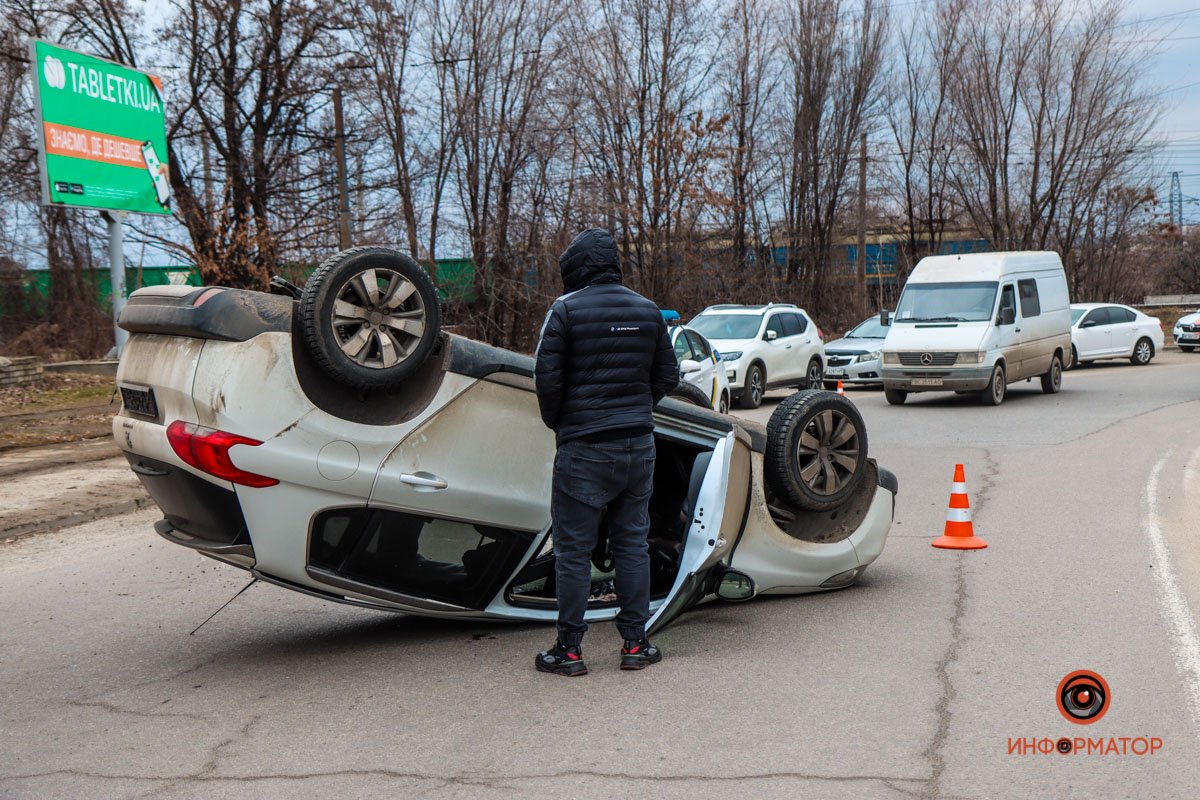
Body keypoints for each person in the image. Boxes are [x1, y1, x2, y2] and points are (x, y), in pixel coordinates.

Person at [533, 228, 679, 676]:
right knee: (632, 543)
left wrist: (564, 422)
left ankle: (570, 651)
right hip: (638, 446)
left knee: (574, 551)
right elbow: (668, 375)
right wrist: (636, 409)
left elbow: (546, 379)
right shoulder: (647, 310)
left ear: (576, 268)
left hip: (584, 448)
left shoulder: (565, 311)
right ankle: (636, 644)